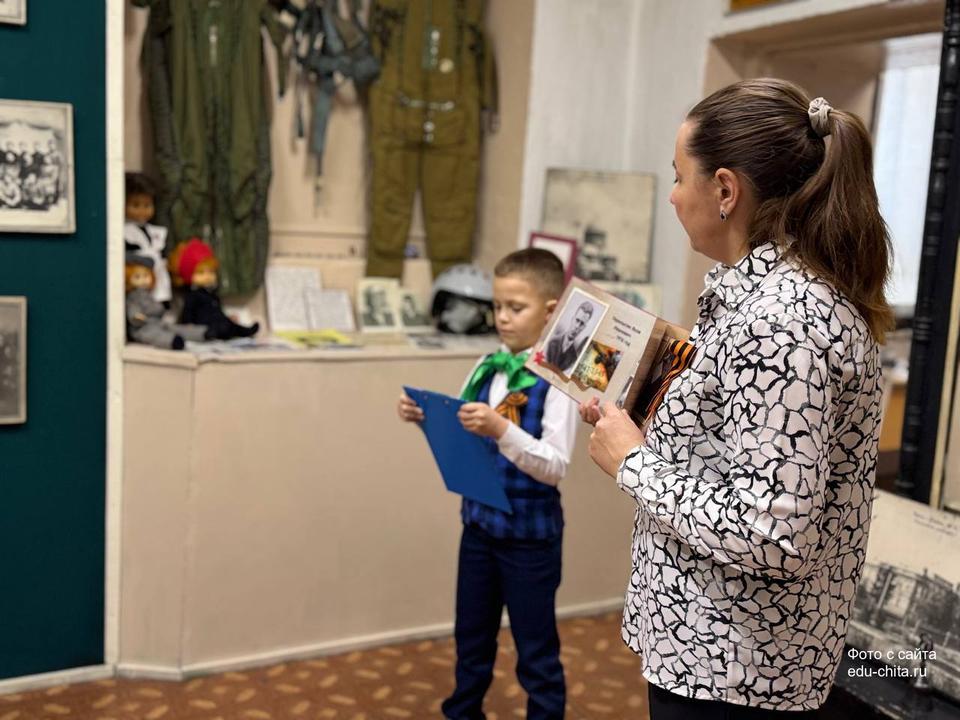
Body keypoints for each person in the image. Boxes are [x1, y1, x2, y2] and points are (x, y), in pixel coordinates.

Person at [582, 78, 892, 718]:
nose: (673, 195)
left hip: (735, 666)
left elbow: (772, 532)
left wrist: (633, 463)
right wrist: (644, 409)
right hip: (720, 653)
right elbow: (738, 449)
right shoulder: (763, 298)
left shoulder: (780, 322)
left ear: (725, 190)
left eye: (679, 177)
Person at [398, 248, 578, 720]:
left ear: (550, 311)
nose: (502, 317)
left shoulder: (559, 379)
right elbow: (464, 433)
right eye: (497, 306)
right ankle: (463, 712)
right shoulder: (486, 364)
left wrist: (501, 429)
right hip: (478, 527)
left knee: (535, 650)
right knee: (471, 639)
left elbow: (554, 465)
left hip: (529, 540)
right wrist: (425, 417)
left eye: (515, 308)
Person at [124, 172, 173, 306]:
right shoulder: (123, 233)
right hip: (138, 286)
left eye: (147, 205)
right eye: (136, 205)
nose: (142, 211)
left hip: (160, 284)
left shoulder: (155, 231)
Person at [544, 301, 594, 373]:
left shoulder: (574, 357)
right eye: (577, 320)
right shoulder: (551, 342)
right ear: (572, 319)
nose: (577, 326)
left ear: (584, 328)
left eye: (582, 324)